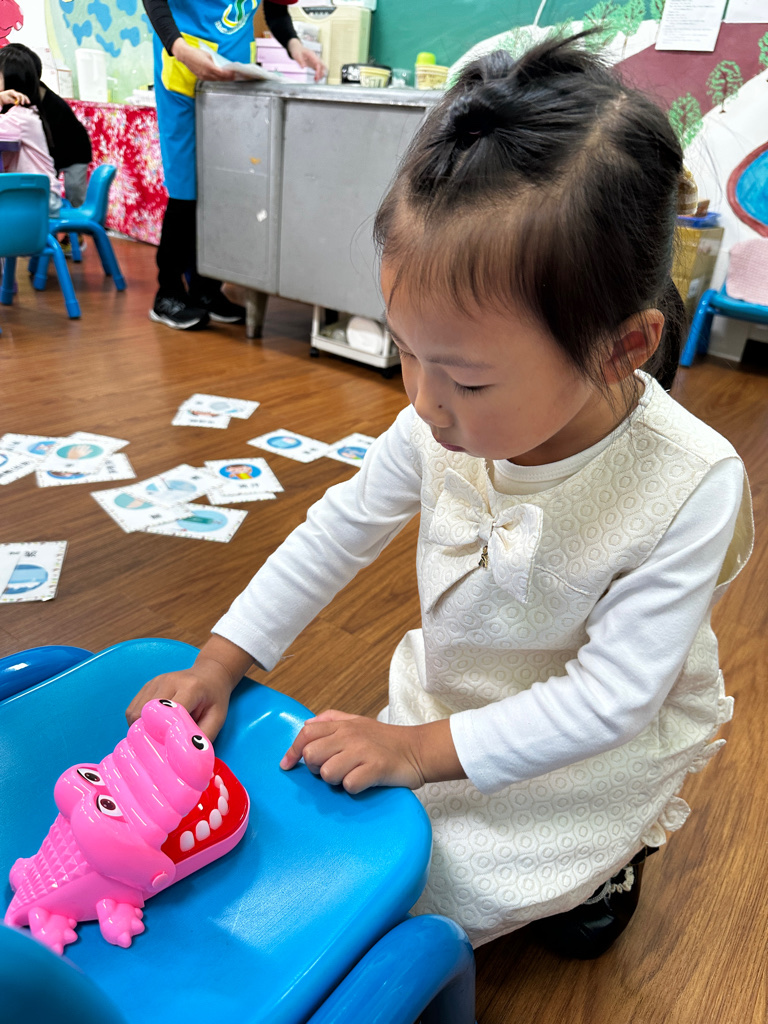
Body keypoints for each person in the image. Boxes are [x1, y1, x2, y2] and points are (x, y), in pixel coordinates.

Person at [126, 35, 753, 955]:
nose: (421, 399)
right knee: (365, 863)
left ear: (623, 347)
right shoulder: (435, 419)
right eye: (406, 350)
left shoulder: (690, 481)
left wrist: (417, 753)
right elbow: (337, 530)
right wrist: (220, 661)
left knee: (447, 901)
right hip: (453, 699)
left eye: (467, 377)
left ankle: (612, 860)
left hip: (587, 751)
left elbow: (611, 698)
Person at [143, 0, 326, 331]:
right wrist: (179, 48)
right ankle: (167, 292)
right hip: (183, 69)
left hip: (234, 77)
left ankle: (206, 289)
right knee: (186, 189)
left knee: (225, 188)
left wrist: (295, 45)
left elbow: (276, 9)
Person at [0, 43, 92, 208]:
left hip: (74, 150)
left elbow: (48, 149)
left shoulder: (25, 112)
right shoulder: (23, 106)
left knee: (75, 196)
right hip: (41, 180)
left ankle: (76, 222)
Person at [0, 47, 62, 214]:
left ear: (11, 81)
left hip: (40, 198)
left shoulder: (20, 117)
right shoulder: (19, 115)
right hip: (32, 194)